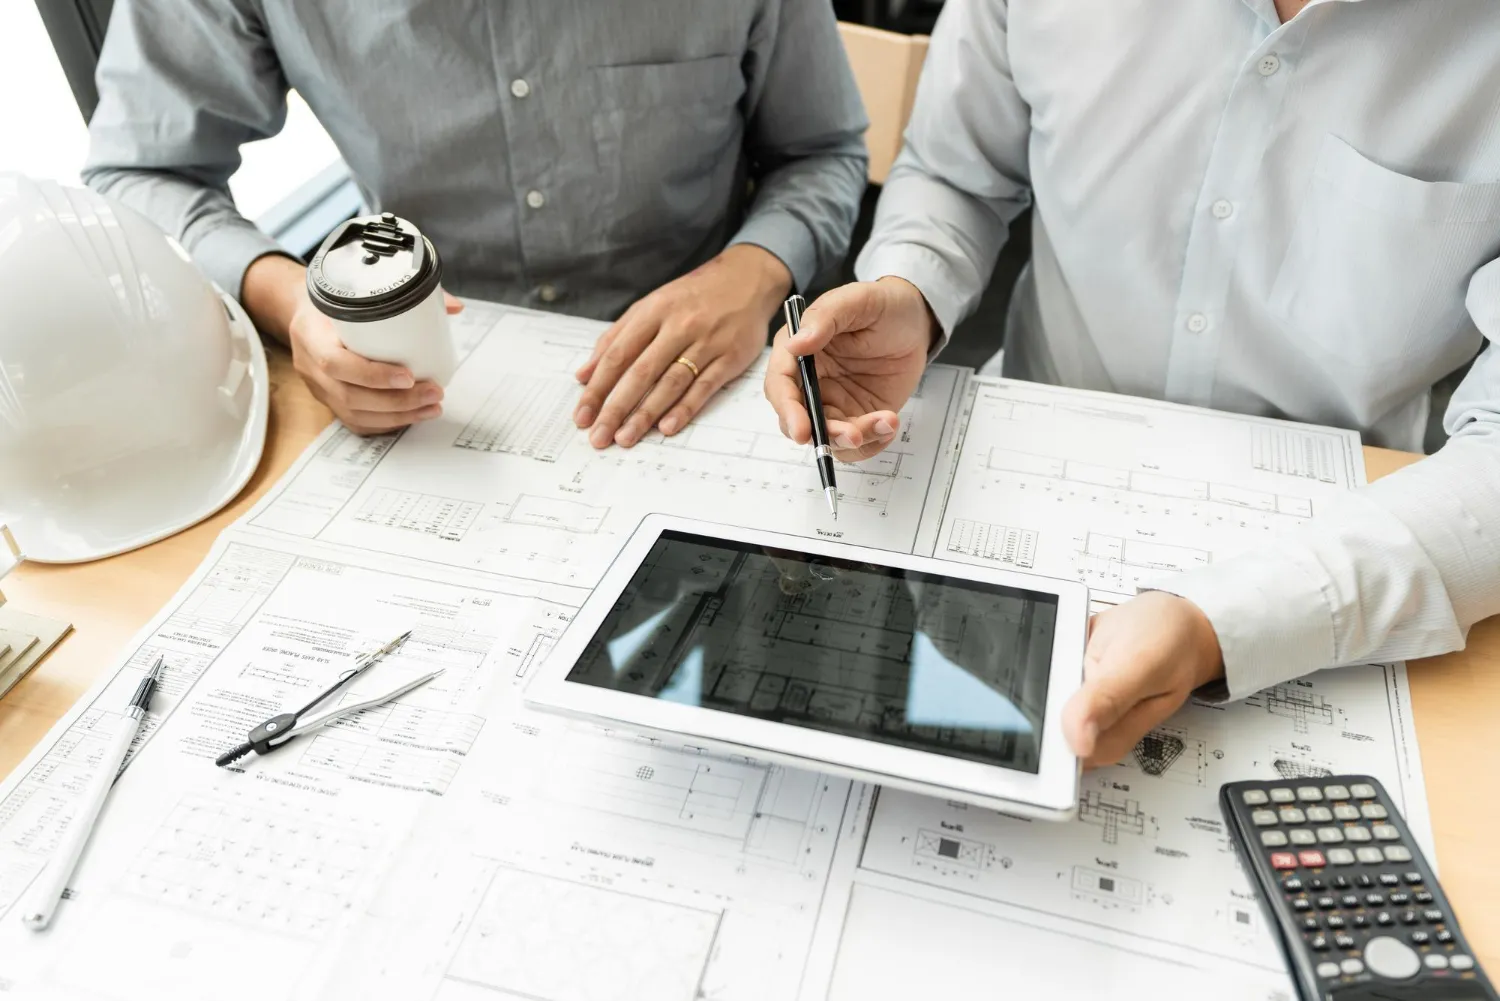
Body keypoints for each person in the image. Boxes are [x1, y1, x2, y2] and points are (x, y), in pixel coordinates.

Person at [765, 0, 1500, 767]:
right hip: (1013, 508)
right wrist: (914, 287)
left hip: (1353, 554)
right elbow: (956, 172)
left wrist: (1229, 623)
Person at [83, 0, 867, 439]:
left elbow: (824, 149)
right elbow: (136, 175)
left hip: (704, 384)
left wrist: (754, 274)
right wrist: (290, 301)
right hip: (419, 392)